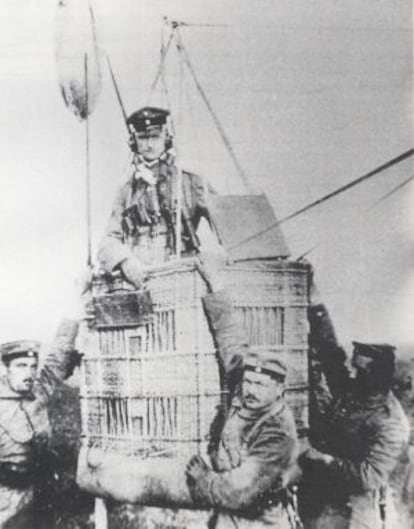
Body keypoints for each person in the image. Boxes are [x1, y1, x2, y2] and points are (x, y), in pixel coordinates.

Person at [185, 258, 300, 529]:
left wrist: (203, 478)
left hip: (261, 518)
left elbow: (241, 491)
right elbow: (230, 337)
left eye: (260, 385)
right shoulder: (246, 387)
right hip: (228, 515)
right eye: (248, 382)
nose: (249, 389)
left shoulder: (278, 430)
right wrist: (215, 285)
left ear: (279, 389)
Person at [300, 322, 410, 529]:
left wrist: (327, 460)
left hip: (357, 510)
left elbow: (370, 477)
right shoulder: (355, 391)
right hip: (325, 501)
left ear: (377, 375)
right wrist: (317, 312)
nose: (353, 374)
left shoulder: (391, 421)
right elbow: (332, 357)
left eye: (360, 371)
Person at [98, 106, 214, 288]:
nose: (149, 144)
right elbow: (108, 239)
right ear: (134, 142)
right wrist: (125, 261)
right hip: (140, 280)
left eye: (155, 137)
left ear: (166, 138)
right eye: (143, 138)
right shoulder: (126, 190)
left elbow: (225, 223)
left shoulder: (190, 181)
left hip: (181, 279)